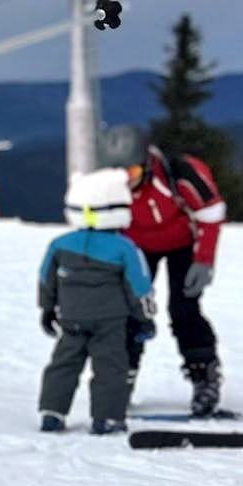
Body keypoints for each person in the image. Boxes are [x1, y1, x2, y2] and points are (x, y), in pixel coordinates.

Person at [38, 168, 157, 434]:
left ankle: (52, 412)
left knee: (64, 364)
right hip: (110, 322)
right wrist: (144, 318)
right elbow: (139, 287)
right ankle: (107, 417)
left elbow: (46, 279)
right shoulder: (125, 248)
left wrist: (47, 309)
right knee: (111, 368)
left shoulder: (59, 245)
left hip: (71, 318)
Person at [124, 143, 226, 417]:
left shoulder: (180, 175)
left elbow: (211, 213)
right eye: (120, 174)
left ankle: (204, 375)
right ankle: (120, 376)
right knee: (129, 310)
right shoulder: (106, 186)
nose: (126, 180)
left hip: (184, 243)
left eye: (132, 172)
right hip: (135, 246)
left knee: (184, 309)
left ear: (146, 166)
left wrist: (204, 260)